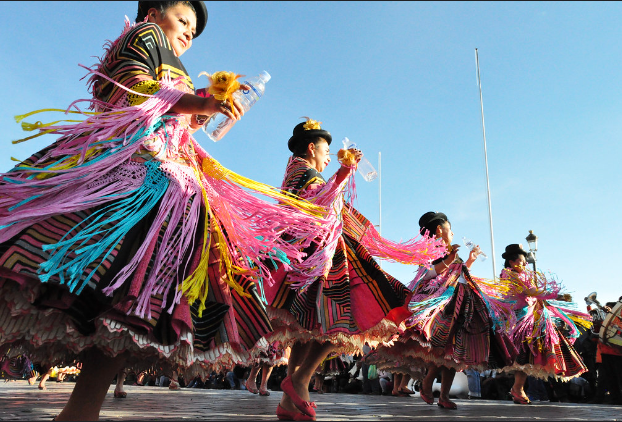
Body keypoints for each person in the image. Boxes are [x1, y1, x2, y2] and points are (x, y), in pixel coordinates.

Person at [0, 2, 331, 420]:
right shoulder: (146, 36)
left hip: (163, 181)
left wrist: (202, 110)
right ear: (153, 13)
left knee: (130, 309)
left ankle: (80, 413)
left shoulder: (174, 61)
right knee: (114, 293)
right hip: (129, 174)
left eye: (194, 28)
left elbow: (172, 118)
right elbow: (130, 86)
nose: (190, 32)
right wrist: (201, 104)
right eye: (184, 20)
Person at [262, 119, 446, 420]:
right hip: (323, 257)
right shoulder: (306, 175)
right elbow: (320, 202)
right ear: (311, 148)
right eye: (326, 150)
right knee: (346, 318)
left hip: (307, 257)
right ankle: (299, 380)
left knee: (309, 327)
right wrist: (345, 172)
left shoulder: (295, 173)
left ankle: (288, 400)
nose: (328, 156)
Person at [380, 212, 518, 409]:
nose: (452, 233)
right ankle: (427, 383)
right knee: (443, 347)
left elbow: (460, 273)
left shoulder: (451, 251)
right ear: (439, 230)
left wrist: (469, 259)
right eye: (450, 229)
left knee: (453, 352)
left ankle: (444, 395)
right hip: (441, 304)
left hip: (461, 302)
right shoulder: (429, 249)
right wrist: (450, 259)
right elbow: (426, 274)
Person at [497, 244, 589, 404]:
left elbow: (533, 292)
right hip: (519, 322)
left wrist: (551, 298)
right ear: (512, 262)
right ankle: (518, 388)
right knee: (524, 356)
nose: (525, 264)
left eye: (526, 261)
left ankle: (518, 389)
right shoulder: (509, 275)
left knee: (526, 358)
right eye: (522, 260)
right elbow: (530, 291)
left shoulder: (521, 276)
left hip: (529, 321)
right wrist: (555, 295)